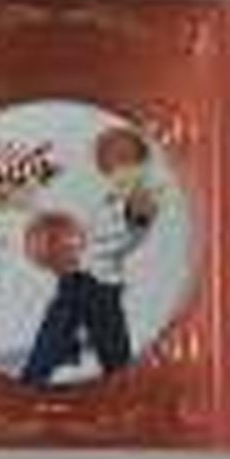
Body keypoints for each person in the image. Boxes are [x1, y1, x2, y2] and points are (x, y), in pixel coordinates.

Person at [18, 127, 158, 386]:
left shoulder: (139, 199)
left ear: (140, 166)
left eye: (125, 163)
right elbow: (91, 237)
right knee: (55, 332)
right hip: (79, 279)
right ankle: (42, 370)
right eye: (110, 165)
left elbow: (138, 219)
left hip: (101, 286)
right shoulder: (109, 199)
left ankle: (63, 358)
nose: (117, 171)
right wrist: (61, 251)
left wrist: (138, 206)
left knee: (113, 352)